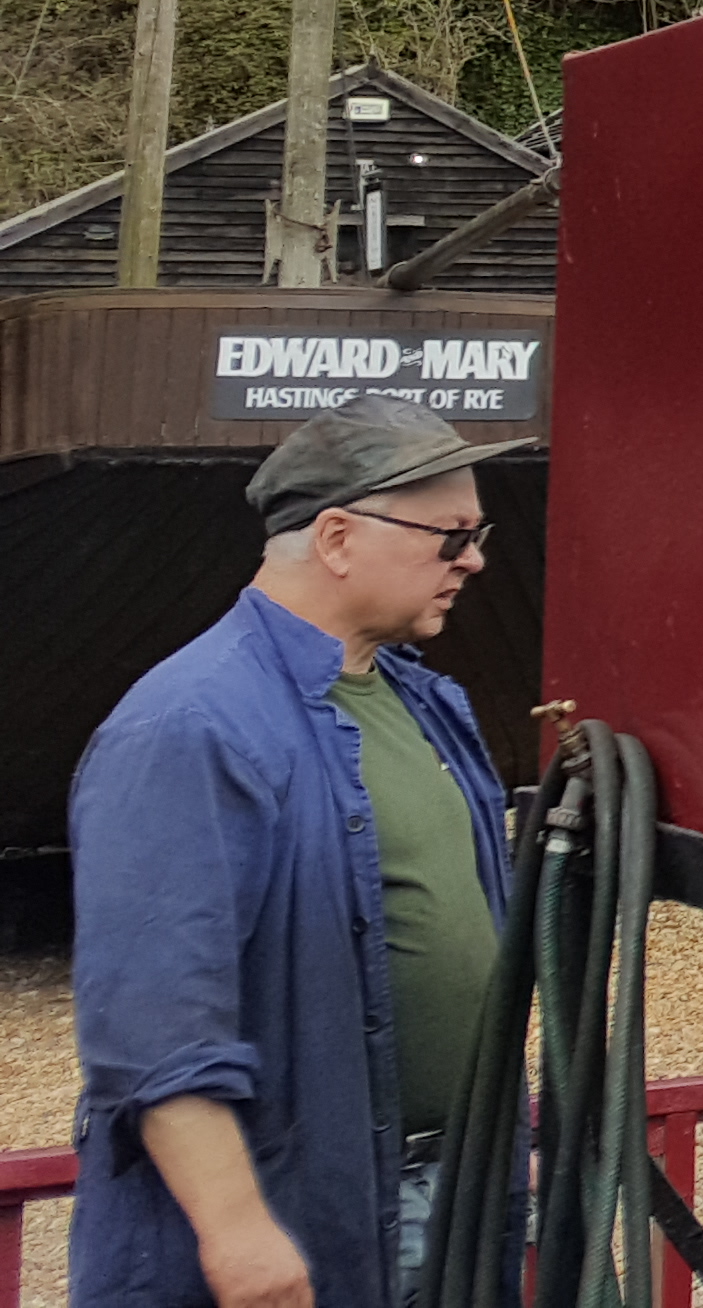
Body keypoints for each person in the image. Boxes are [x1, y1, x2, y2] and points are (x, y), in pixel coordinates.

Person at [74, 394, 518, 1308]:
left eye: (477, 534)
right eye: (450, 537)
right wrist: (236, 1230)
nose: (473, 560)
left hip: (449, 1196)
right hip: (303, 1220)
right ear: (338, 538)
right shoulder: (188, 724)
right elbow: (153, 1023)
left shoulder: (426, 701)